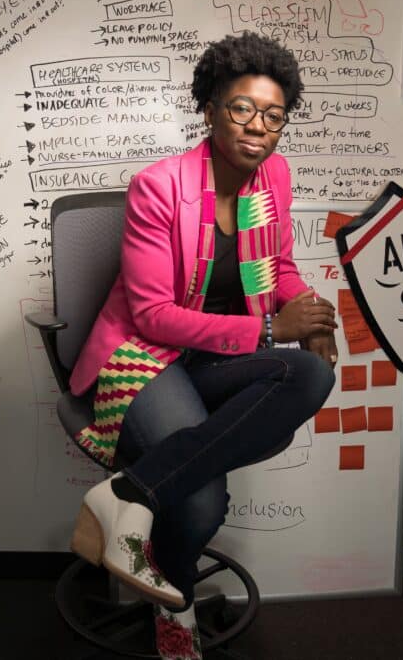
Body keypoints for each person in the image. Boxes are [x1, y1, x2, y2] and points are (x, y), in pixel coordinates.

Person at [66, 32, 337, 660]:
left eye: (274, 116)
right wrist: (271, 331)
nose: (258, 127)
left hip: (215, 358)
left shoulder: (272, 177)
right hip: (147, 355)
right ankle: (177, 606)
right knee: (202, 494)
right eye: (242, 108)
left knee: (309, 376)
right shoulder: (159, 186)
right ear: (211, 108)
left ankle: (125, 495)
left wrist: (312, 317)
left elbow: (279, 268)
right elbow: (154, 316)